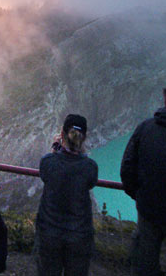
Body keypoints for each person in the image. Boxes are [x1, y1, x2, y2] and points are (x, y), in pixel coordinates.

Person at [120, 81, 166, 276]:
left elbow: (127, 169)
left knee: (144, 266)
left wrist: (140, 196)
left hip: (149, 212)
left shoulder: (145, 128)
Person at [35, 114, 98, 276]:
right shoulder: (90, 167)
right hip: (79, 236)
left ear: (62, 135)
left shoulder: (48, 162)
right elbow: (89, 181)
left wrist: (56, 149)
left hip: (49, 234)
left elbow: (47, 173)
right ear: (84, 138)